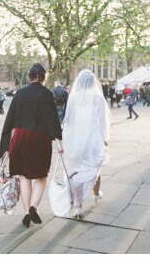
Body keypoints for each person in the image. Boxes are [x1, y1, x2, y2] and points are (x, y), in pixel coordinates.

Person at [0, 63, 63, 228]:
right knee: (41, 176)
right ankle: (34, 206)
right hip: (40, 140)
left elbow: (9, 120)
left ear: (29, 76)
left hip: (20, 138)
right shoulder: (47, 94)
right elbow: (53, 119)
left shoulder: (19, 94)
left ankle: (27, 212)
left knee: (23, 176)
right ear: (43, 77)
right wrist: (59, 140)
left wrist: (4, 148)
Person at [53, 70, 111, 220]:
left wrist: (66, 138)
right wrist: (105, 138)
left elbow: (68, 120)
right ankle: (96, 193)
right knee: (95, 167)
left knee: (76, 171)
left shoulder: (74, 97)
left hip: (76, 138)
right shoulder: (98, 97)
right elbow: (103, 121)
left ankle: (78, 205)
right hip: (93, 139)